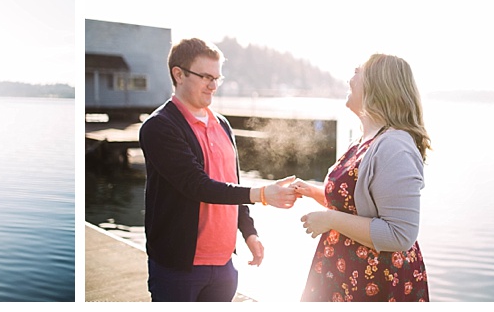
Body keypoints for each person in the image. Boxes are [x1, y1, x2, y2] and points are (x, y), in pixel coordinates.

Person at [138, 37, 300, 302]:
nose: (213, 86)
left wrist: (249, 232)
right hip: (179, 268)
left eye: (217, 78)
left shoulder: (223, 124)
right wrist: (262, 194)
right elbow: (196, 185)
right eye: (205, 77)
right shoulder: (159, 127)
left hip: (225, 264)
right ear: (178, 74)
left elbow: (230, 182)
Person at [292, 53, 431, 301]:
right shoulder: (365, 140)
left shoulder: (395, 146)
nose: (350, 78)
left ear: (378, 85)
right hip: (345, 274)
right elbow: (359, 208)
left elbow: (400, 234)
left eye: (358, 71)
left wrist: (330, 219)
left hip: (376, 282)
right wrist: (314, 193)